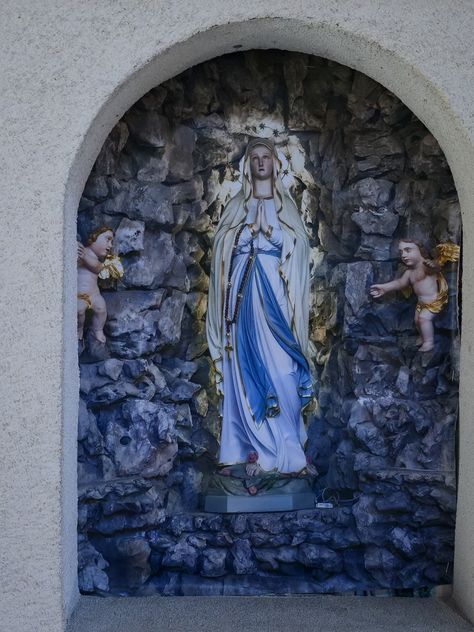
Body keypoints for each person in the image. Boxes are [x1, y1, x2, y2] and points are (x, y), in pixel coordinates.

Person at [206, 138, 314, 475]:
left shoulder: (286, 206)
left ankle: (288, 447)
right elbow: (222, 246)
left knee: (283, 367)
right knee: (242, 364)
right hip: (242, 294)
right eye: (255, 157)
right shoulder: (237, 205)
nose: (261, 162)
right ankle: (247, 449)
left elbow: (299, 248)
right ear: (247, 165)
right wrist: (246, 231)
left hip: (276, 293)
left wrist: (274, 234)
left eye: (266, 156)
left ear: (275, 164)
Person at [369, 239, 447, 352]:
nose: (404, 255)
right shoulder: (409, 272)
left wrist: (433, 265)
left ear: (420, 250)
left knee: (423, 319)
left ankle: (429, 342)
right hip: (421, 304)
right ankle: (423, 336)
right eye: (401, 252)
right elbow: (400, 283)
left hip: (434, 302)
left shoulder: (426, 266)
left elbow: (437, 268)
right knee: (417, 321)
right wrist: (385, 288)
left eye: (408, 250)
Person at [77, 226, 121, 343]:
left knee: (101, 309)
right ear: (94, 237)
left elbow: (97, 268)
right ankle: (79, 329)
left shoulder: (94, 258)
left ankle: (98, 330)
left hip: (94, 295)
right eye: (107, 240)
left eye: (111, 242)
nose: (110, 245)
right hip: (80, 295)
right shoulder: (83, 251)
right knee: (79, 311)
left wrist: (85, 257)